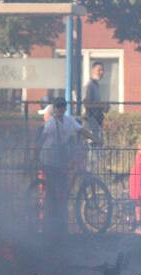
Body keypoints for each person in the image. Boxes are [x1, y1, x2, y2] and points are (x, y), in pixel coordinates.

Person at [34, 96, 89, 234]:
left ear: (64, 108)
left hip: (60, 159)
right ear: (55, 108)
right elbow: (42, 139)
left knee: (62, 189)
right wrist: (35, 156)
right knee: (52, 191)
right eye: (58, 106)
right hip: (49, 159)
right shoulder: (51, 123)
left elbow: (81, 130)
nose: (60, 109)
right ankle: (49, 223)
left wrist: (95, 138)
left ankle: (60, 222)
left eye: (62, 106)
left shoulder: (69, 120)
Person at [83, 61, 109, 145]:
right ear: (93, 71)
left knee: (98, 143)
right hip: (90, 120)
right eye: (99, 70)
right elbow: (87, 104)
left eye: (103, 70)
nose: (102, 72)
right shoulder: (90, 85)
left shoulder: (96, 85)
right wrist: (102, 105)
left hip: (96, 121)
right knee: (93, 144)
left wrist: (104, 106)